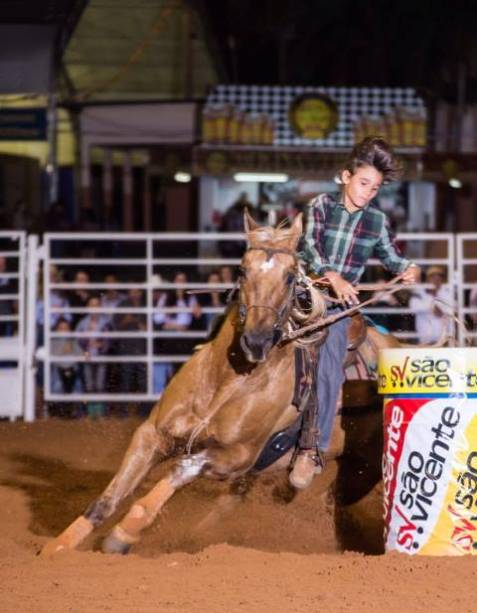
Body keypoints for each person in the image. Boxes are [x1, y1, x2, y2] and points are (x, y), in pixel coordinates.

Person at [290, 136, 421, 489]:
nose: (368, 191)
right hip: (305, 293)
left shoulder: (376, 221)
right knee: (252, 320)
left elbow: (391, 257)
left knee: (330, 360)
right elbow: (311, 248)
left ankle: (311, 449)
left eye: (375, 187)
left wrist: (408, 268)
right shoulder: (320, 205)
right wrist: (331, 276)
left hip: (336, 307)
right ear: (345, 176)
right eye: (364, 183)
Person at [409, 266, 453, 344]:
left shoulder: (447, 293)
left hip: (445, 340)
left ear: (442, 280)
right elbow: (413, 307)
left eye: (439, 278)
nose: (436, 280)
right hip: (425, 340)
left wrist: (441, 311)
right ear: (427, 279)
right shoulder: (419, 293)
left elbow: (452, 311)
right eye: (433, 277)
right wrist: (431, 306)